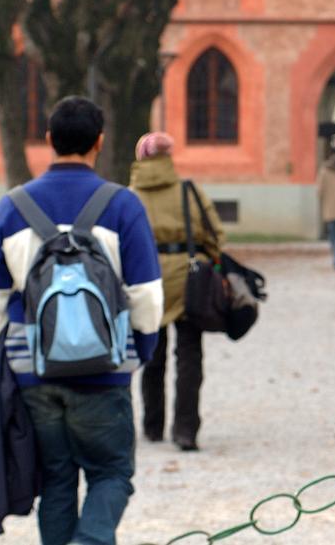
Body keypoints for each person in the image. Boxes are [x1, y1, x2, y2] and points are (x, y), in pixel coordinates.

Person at [0, 96, 164, 545]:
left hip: (33, 368)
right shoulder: (122, 206)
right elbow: (147, 296)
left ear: (50, 140)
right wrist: (142, 349)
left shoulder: (11, 207)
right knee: (112, 472)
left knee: (56, 479)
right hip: (104, 369)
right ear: (99, 141)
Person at [130, 132, 224, 451]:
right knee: (189, 356)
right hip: (188, 278)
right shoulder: (188, 190)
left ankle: (152, 425)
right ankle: (185, 430)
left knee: (152, 355)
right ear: (168, 158)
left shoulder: (129, 196)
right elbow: (214, 234)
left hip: (147, 278)